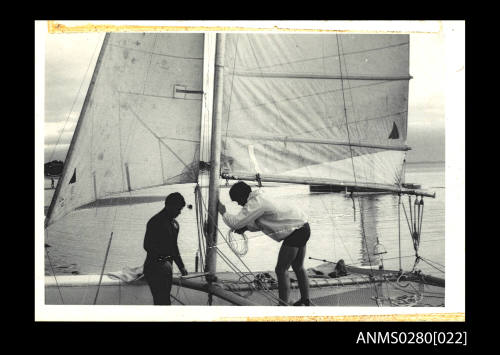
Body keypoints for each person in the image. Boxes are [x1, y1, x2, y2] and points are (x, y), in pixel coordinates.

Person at [218, 181, 312, 306]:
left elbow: (235, 223)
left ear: (242, 196)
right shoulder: (261, 197)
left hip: (295, 231)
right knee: (298, 267)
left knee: (281, 269)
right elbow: (264, 221)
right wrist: (246, 228)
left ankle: (283, 305)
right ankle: (306, 300)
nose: (239, 204)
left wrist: (223, 212)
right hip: (304, 226)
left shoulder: (256, 202)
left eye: (237, 200)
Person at [143, 192, 188, 305]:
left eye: (180, 209)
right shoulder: (155, 222)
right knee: (161, 301)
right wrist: (163, 260)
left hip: (166, 268)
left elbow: (174, 247)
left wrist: (181, 267)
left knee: (165, 301)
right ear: (169, 206)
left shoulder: (174, 224)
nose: (179, 212)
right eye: (178, 209)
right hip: (154, 267)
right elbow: (147, 245)